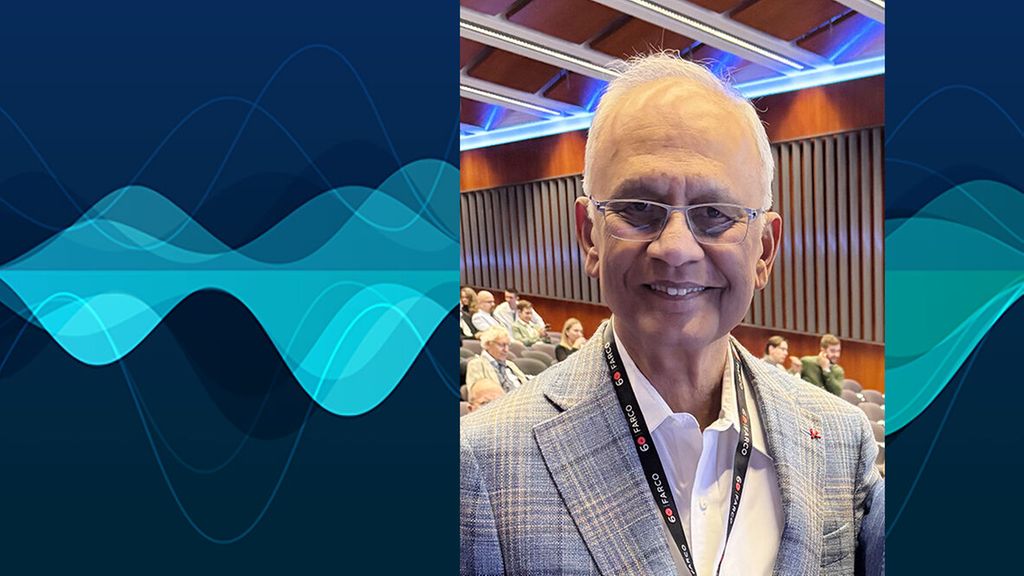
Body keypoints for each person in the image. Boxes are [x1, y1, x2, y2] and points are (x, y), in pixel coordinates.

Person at [461, 54, 883, 575]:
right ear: (589, 237)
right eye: (638, 209)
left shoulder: (841, 440)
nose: (676, 248)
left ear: (765, 251)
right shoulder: (480, 464)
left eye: (714, 214)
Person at [465, 326, 528, 394]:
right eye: (502, 345)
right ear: (488, 344)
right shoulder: (476, 364)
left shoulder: (510, 364)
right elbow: (477, 394)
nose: (506, 350)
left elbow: (525, 383)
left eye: (508, 345)